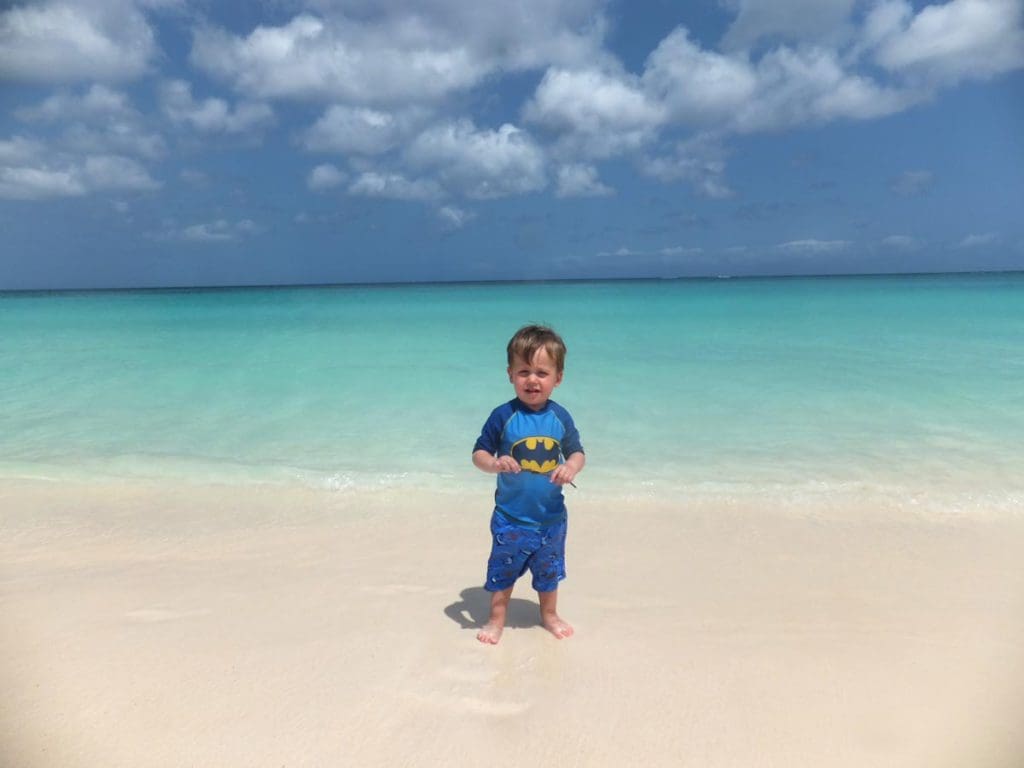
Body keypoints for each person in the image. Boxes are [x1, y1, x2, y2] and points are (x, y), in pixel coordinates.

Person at [472, 324, 585, 644]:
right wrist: (494, 463)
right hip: (511, 517)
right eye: (523, 371)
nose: (532, 380)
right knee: (502, 572)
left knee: (549, 573)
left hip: (550, 518)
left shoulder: (560, 417)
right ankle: (496, 618)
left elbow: (577, 452)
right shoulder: (503, 415)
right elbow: (478, 453)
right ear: (510, 374)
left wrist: (571, 467)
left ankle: (549, 615)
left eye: (541, 372)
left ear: (557, 378)